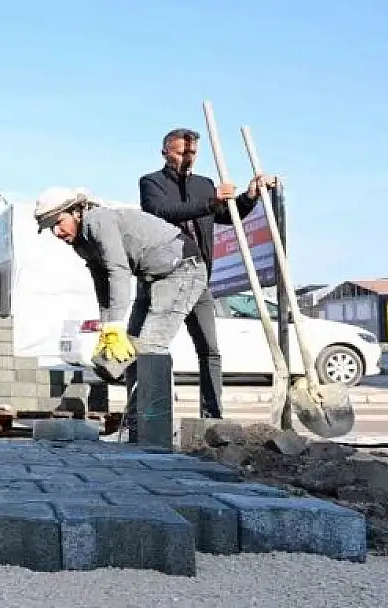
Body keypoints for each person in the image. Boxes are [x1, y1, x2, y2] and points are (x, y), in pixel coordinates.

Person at [34, 187, 209, 447]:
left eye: (59, 223)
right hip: (151, 277)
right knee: (128, 350)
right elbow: (102, 281)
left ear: (75, 211)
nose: (57, 232)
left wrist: (115, 325)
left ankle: (156, 429)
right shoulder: (80, 241)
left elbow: (117, 270)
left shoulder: (97, 220)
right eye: (51, 228)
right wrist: (108, 328)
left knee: (150, 349)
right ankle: (137, 429)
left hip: (182, 269)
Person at [138, 127, 275, 422]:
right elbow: (162, 211)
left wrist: (248, 196)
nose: (187, 158)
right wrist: (211, 202)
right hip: (165, 279)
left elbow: (225, 215)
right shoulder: (152, 183)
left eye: (192, 153)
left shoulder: (204, 184)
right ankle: (145, 418)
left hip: (199, 279)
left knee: (210, 350)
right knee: (152, 347)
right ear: (165, 152)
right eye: (181, 152)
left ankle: (212, 416)